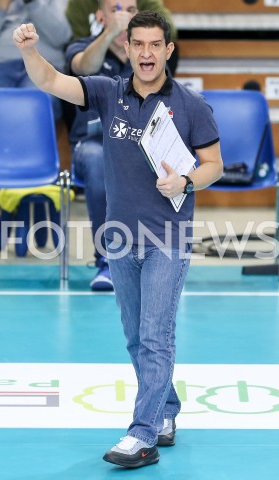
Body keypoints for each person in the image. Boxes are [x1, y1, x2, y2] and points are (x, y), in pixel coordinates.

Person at [13, 11, 223, 468]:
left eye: (155, 45)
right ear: (127, 49)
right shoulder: (108, 93)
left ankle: (142, 434)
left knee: (155, 335)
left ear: (168, 50)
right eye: (138, 45)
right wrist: (30, 51)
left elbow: (214, 166)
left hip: (168, 236)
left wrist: (186, 182)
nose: (146, 54)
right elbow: (50, 79)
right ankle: (165, 410)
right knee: (134, 336)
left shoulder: (191, 105)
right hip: (120, 236)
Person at [65, 0, 137, 291]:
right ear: (100, 15)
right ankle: (107, 259)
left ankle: (158, 259)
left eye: (131, 9)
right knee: (98, 160)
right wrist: (109, 35)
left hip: (135, 145)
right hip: (91, 144)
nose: (124, 15)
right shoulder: (81, 46)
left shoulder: (146, 54)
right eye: (116, 8)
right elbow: (84, 66)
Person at [0, 0, 72, 120]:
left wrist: (33, 2)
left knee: (37, 106)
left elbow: (62, 37)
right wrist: (0, 6)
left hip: (42, 63)